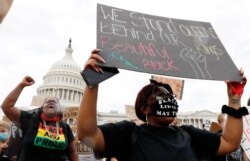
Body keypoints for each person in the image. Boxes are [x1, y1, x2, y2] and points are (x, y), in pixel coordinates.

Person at [77, 49, 248, 161]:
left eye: (170, 96)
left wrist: (234, 100)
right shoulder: (129, 134)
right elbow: (87, 134)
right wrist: (93, 83)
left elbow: (230, 142)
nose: (168, 99)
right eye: (159, 95)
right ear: (144, 108)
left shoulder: (189, 134)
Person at [1, 76, 79, 161]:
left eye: (55, 102)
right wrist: (21, 85)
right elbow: (6, 107)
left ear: (59, 109)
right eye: (48, 101)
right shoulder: (29, 119)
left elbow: (72, 152)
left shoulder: (65, 127)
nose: (51, 102)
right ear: (42, 108)